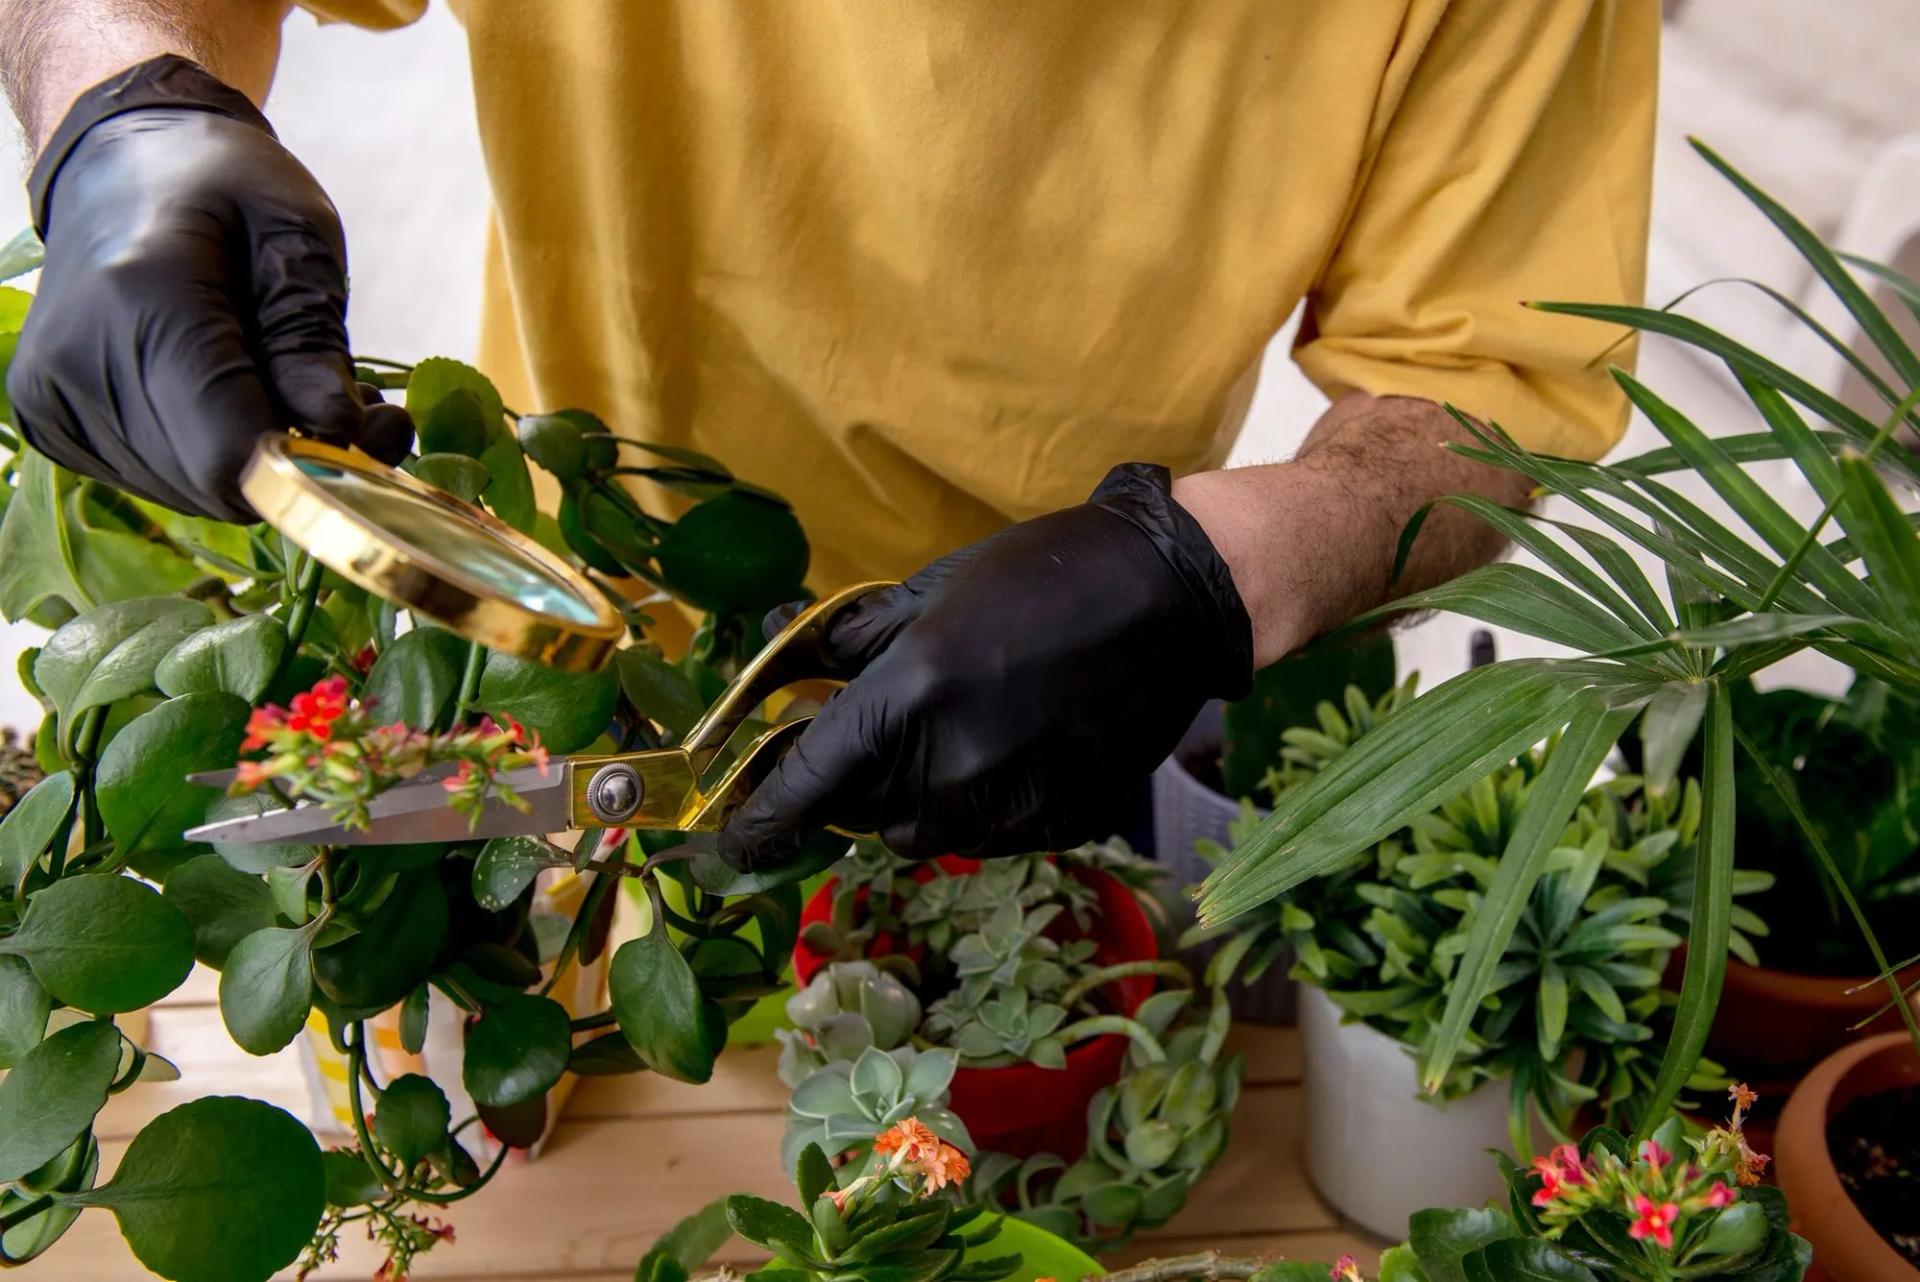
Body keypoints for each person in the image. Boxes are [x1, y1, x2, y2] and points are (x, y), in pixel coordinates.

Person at [0, 2, 1655, 872]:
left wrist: (1210, 571)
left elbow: (1499, 387)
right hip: (567, 597)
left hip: (1061, 700)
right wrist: (123, 102)